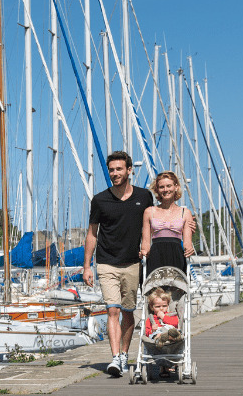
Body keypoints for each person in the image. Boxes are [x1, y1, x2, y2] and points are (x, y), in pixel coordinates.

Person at [83, 151, 153, 377]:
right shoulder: (100, 200)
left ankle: (124, 354)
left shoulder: (144, 196)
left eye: (119, 169)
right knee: (112, 309)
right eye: (111, 170)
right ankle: (115, 359)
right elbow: (92, 234)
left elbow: (152, 225)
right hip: (106, 263)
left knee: (128, 312)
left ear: (129, 170)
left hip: (133, 263)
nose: (115, 173)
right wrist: (87, 266)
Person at [139, 171, 196, 278]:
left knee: (177, 291)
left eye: (169, 186)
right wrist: (143, 252)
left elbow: (188, 243)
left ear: (176, 187)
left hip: (177, 257)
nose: (165, 190)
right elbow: (146, 243)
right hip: (156, 257)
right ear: (157, 190)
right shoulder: (149, 212)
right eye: (162, 187)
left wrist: (190, 250)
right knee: (156, 293)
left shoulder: (185, 213)